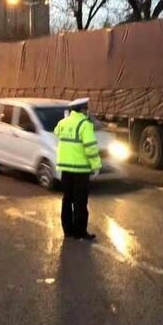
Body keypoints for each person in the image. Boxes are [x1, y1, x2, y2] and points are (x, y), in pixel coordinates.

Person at [54, 97, 102, 240]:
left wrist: (65, 118)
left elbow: (57, 132)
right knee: (80, 202)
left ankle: (67, 231)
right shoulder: (85, 125)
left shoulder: (62, 123)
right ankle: (80, 232)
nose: (87, 111)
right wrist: (96, 166)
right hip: (81, 170)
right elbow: (91, 148)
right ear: (82, 110)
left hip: (66, 170)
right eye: (86, 109)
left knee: (67, 200)